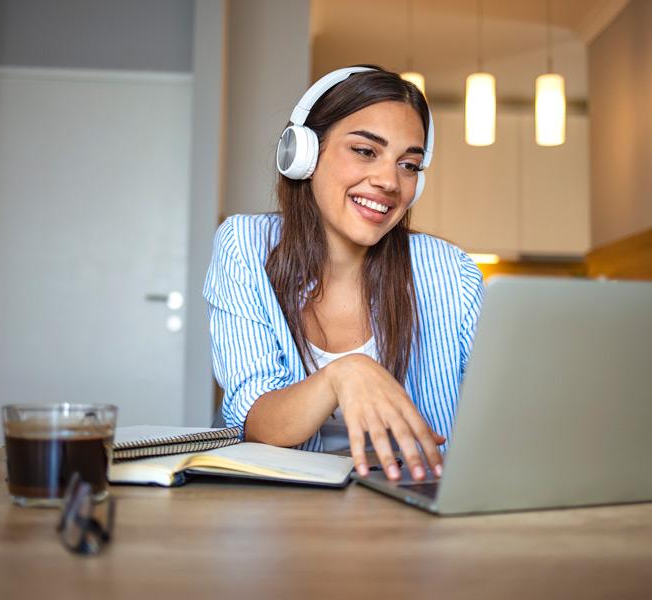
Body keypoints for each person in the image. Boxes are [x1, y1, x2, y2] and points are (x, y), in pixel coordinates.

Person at [203, 66, 483, 482]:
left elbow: (497, 416)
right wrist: (344, 373)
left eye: (409, 165)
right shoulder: (245, 246)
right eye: (366, 151)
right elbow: (256, 420)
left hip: (418, 502)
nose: (389, 181)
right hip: (285, 509)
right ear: (304, 156)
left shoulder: (451, 272)